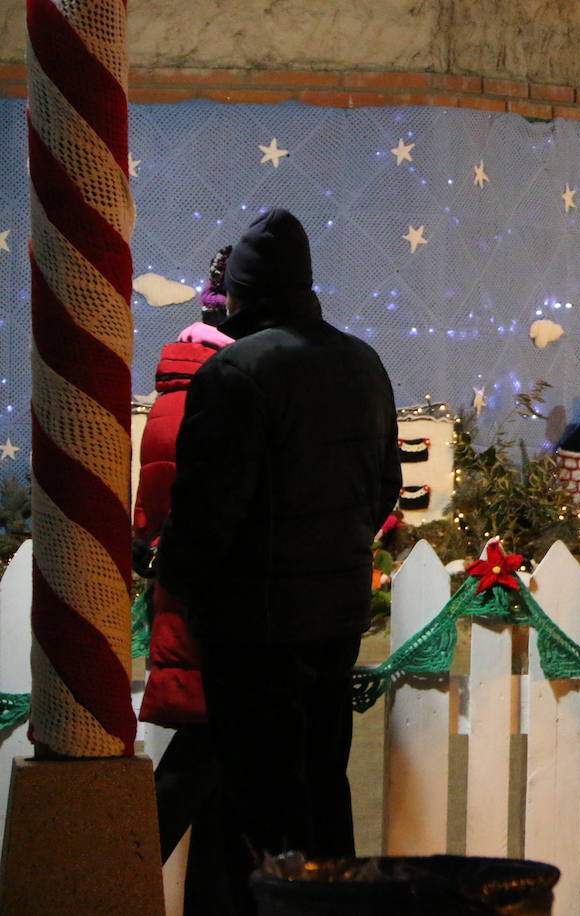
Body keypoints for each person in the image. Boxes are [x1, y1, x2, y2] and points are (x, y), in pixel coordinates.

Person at [158, 209, 401, 914]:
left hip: (252, 628)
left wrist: (175, 577)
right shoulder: (362, 363)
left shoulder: (233, 372)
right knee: (325, 782)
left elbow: (206, 516)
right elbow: (385, 485)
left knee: (259, 804)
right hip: (335, 617)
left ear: (239, 293)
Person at [133, 246, 236, 911]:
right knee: (198, 764)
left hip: (195, 602)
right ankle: (113, 878)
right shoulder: (211, 398)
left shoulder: (182, 392)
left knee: (219, 780)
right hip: (210, 611)